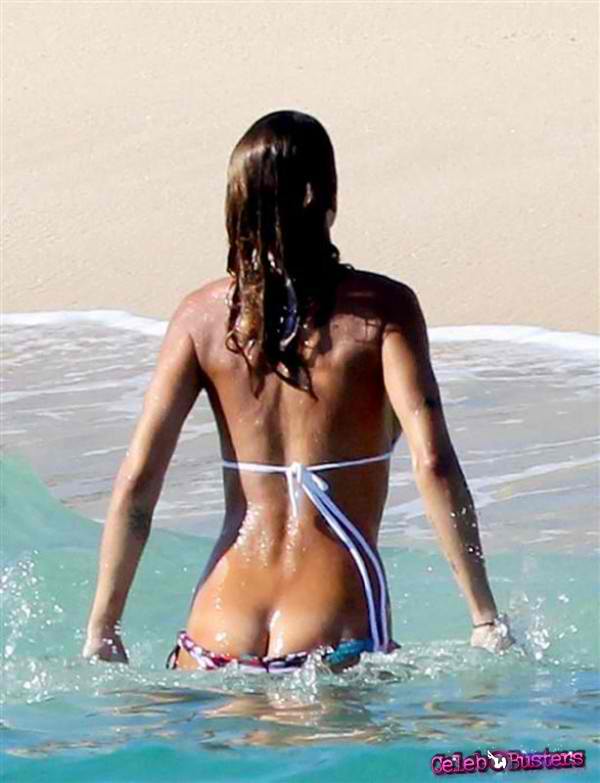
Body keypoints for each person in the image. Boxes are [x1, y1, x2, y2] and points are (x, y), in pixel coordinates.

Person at [83, 110, 514, 673]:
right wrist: (484, 618)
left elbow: (139, 480)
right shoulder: (383, 312)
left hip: (214, 631)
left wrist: (103, 627)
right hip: (332, 625)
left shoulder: (199, 318)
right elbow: (432, 462)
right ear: (324, 196)